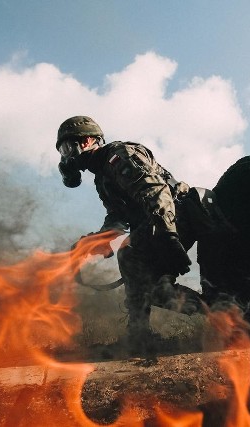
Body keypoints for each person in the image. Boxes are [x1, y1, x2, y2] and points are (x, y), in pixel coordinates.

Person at [56, 116, 218, 353]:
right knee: (154, 290)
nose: (66, 156)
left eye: (68, 147)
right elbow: (118, 219)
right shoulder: (102, 178)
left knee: (129, 255)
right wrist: (90, 244)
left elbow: (156, 191)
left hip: (180, 211)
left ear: (88, 140)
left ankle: (139, 335)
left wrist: (167, 237)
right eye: (62, 150)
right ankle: (222, 314)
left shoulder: (118, 156)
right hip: (161, 221)